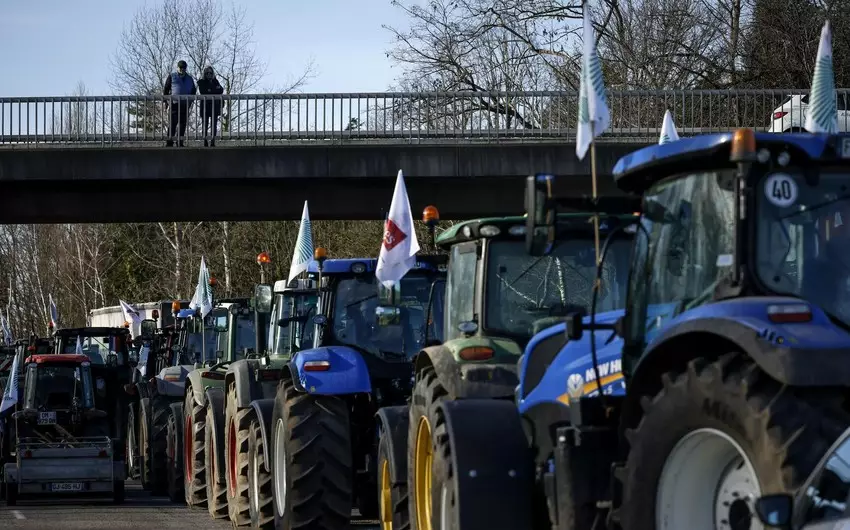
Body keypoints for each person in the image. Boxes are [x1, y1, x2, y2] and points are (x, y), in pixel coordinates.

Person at [163, 60, 197, 147]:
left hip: (185, 105)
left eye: (184, 68)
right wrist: (166, 102)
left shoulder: (189, 78)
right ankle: (169, 142)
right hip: (174, 104)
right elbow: (166, 89)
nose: (182, 70)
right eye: (180, 68)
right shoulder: (172, 76)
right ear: (177, 68)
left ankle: (180, 142)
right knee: (172, 124)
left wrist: (190, 101)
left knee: (182, 124)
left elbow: (193, 91)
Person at [197, 66, 224, 147]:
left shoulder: (215, 81)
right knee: (205, 125)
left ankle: (213, 142)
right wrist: (214, 90)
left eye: (211, 73)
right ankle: (205, 141)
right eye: (207, 73)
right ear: (205, 74)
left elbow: (221, 90)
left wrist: (212, 90)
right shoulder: (201, 82)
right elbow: (203, 91)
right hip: (205, 107)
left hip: (214, 107)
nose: (209, 74)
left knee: (214, 125)